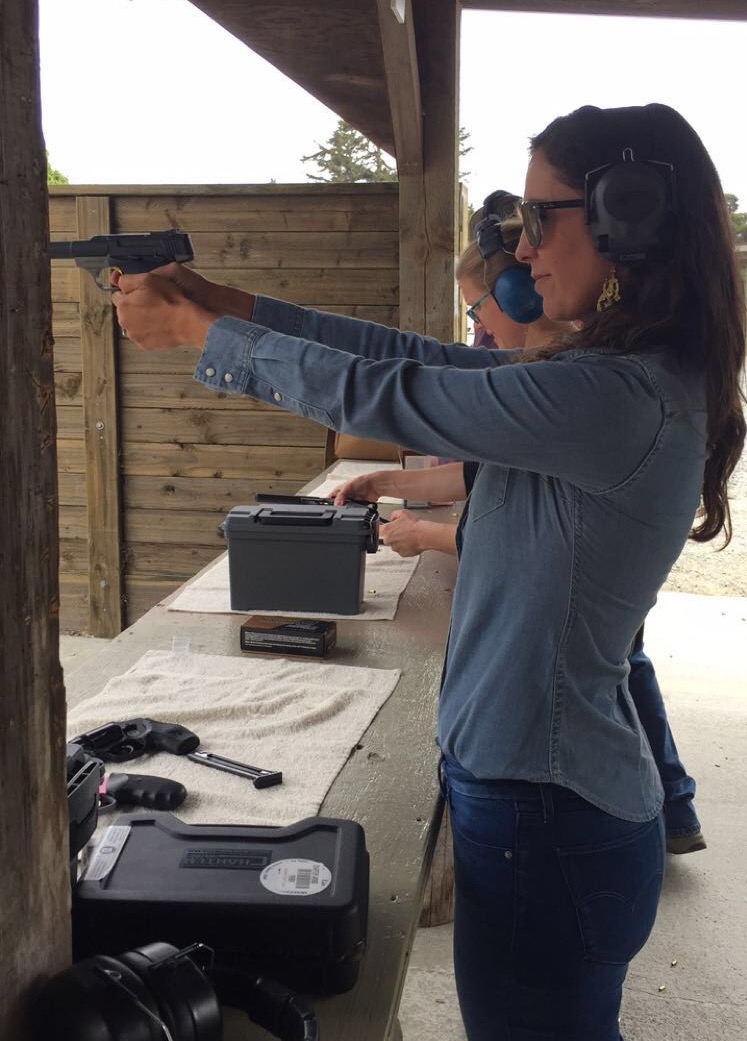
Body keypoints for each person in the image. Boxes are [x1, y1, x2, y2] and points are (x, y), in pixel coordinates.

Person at [111, 104, 745, 1040]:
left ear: (629, 215)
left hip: (547, 814)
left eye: (539, 218)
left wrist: (203, 333)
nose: (521, 248)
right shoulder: (620, 376)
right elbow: (418, 359)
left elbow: (394, 391)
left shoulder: (617, 393)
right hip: (546, 801)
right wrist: (230, 304)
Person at [372, 214, 707, 855]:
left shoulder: (581, 390)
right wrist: (391, 481)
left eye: (477, 310)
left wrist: (425, 532)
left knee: (615, 671)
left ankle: (677, 802)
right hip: (553, 767)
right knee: (621, 672)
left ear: (521, 296)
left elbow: (525, 548)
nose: (477, 329)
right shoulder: (579, 377)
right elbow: (487, 480)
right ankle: (677, 804)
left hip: (547, 784)